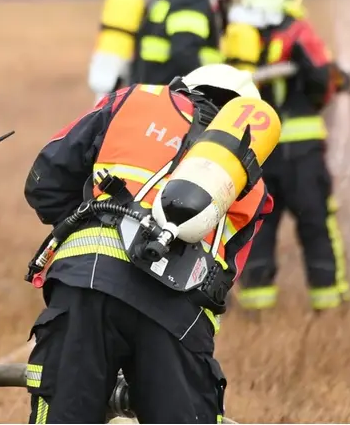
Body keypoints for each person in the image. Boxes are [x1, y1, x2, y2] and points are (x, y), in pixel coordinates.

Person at [21, 63, 275, 423]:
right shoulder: (253, 185)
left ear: (183, 88)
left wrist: (88, 224)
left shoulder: (132, 100)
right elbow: (224, 282)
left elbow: (44, 184)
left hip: (85, 286)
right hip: (176, 318)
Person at [221, 0, 350, 312]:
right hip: (302, 152)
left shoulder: (239, 34)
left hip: (257, 153)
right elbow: (321, 81)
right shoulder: (298, 32)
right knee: (316, 226)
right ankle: (329, 303)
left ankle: (255, 307)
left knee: (257, 229)